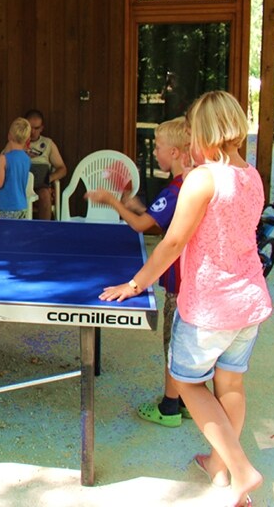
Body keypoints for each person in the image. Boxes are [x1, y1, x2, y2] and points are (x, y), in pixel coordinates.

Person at [101, 91, 270, 507]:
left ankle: (242, 470)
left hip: (210, 305)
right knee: (230, 382)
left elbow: (173, 241)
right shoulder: (251, 175)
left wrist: (136, 283)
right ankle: (218, 464)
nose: (191, 138)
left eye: (193, 130)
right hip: (249, 302)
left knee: (190, 383)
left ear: (205, 132)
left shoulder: (202, 178)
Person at [85, 117, 191, 428]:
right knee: (182, 342)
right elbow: (156, 217)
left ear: (173, 152)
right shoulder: (186, 185)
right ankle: (183, 400)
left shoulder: (176, 189)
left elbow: (143, 226)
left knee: (173, 343)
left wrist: (112, 202)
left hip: (180, 282)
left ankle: (170, 406)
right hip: (190, 281)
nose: (155, 152)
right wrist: (131, 201)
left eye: (158, 147)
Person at [24, 110, 67, 220]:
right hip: (20, 183)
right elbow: (4, 160)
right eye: (30, 127)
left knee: (45, 194)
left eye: (36, 128)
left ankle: (44, 229)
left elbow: (62, 169)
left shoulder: (48, 143)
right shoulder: (16, 141)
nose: (32, 132)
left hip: (41, 184)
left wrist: (49, 178)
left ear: (42, 128)